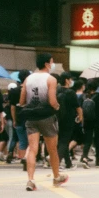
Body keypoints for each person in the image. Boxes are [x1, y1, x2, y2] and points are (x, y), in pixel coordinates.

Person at [20, 53, 69, 190]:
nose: (52, 64)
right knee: (52, 149)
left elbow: (21, 101)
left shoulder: (28, 79)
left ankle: (30, 180)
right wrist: (58, 107)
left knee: (33, 149)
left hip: (31, 117)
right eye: (52, 62)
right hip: (47, 116)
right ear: (47, 64)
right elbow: (52, 101)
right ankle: (56, 177)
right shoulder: (51, 79)